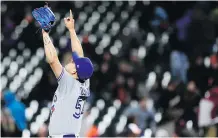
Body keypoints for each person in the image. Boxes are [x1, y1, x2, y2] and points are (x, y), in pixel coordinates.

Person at [41, 9, 93, 137]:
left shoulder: (68, 83)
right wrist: (71, 29)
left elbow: (52, 59)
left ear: (75, 71)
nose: (71, 60)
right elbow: (79, 54)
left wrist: (45, 33)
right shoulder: (85, 82)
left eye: (73, 62)